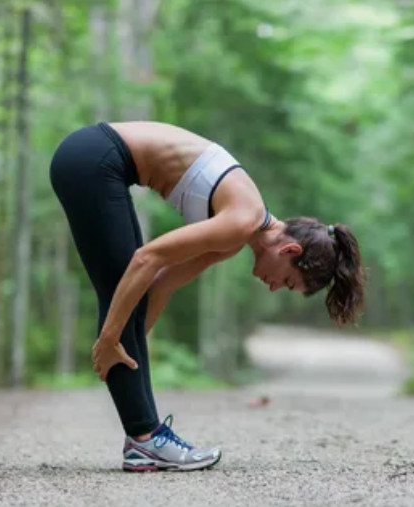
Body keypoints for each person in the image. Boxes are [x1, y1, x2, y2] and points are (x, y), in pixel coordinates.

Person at [49, 121, 365, 472]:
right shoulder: (242, 220)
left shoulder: (234, 236)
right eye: (288, 282)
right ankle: (145, 441)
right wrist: (110, 337)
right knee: (121, 287)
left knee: (128, 297)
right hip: (95, 157)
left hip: (93, 159)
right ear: (289, 249)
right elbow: (147, 259)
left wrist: (133, 343)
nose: (274, 287)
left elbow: (161, 284)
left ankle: (145, 440)